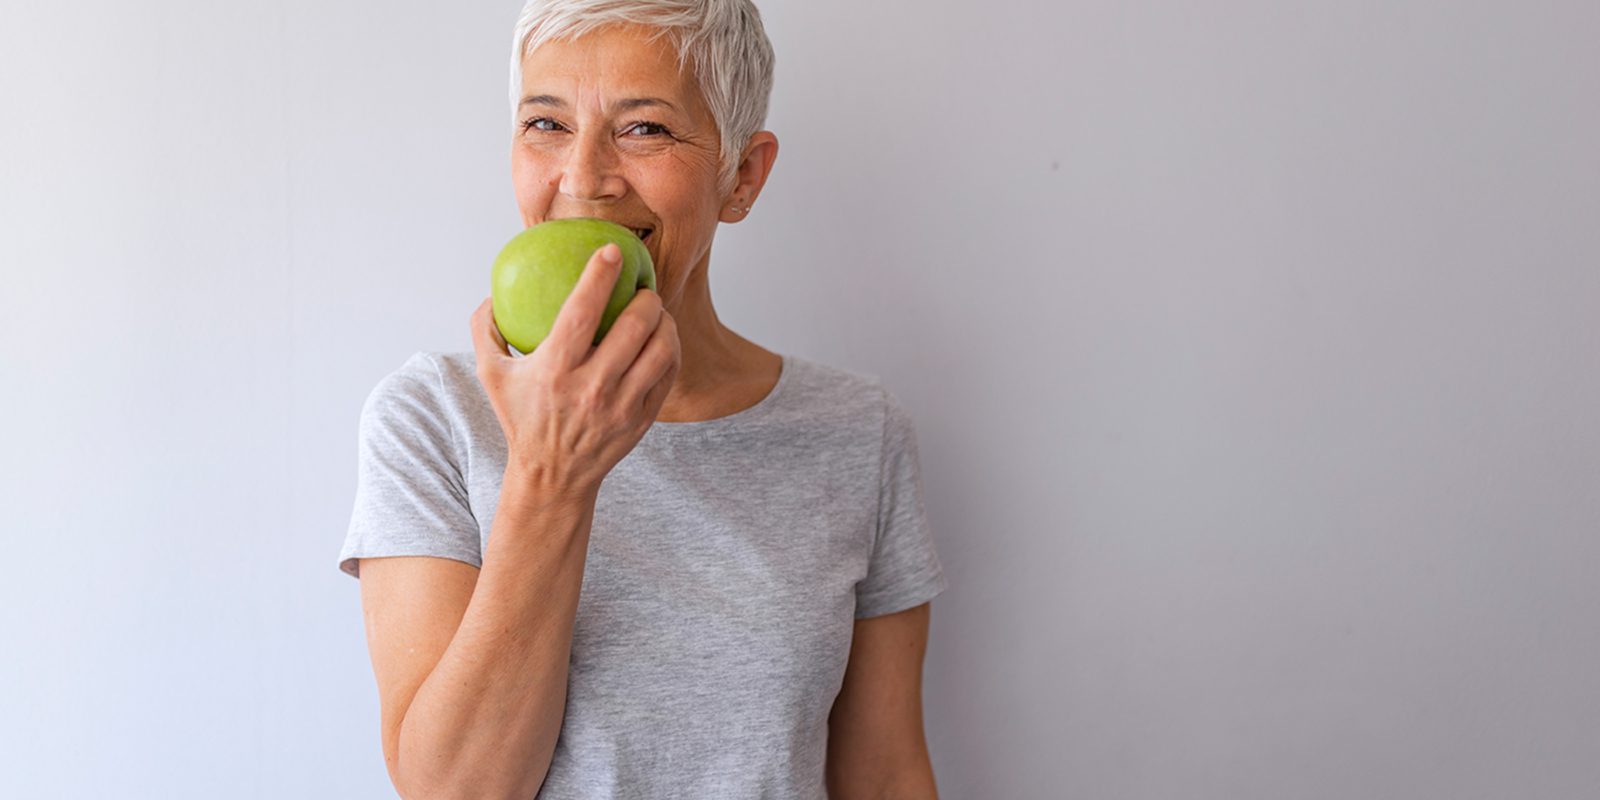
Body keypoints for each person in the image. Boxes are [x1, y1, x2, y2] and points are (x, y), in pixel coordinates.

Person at [337, 1, 949, 797]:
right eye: (545, 124)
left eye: (645, 129)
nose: (583, 178)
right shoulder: (430, 418)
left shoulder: (858, 433)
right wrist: (551, 477)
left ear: (742, 175)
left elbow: (887, 772)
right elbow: (454, 789)